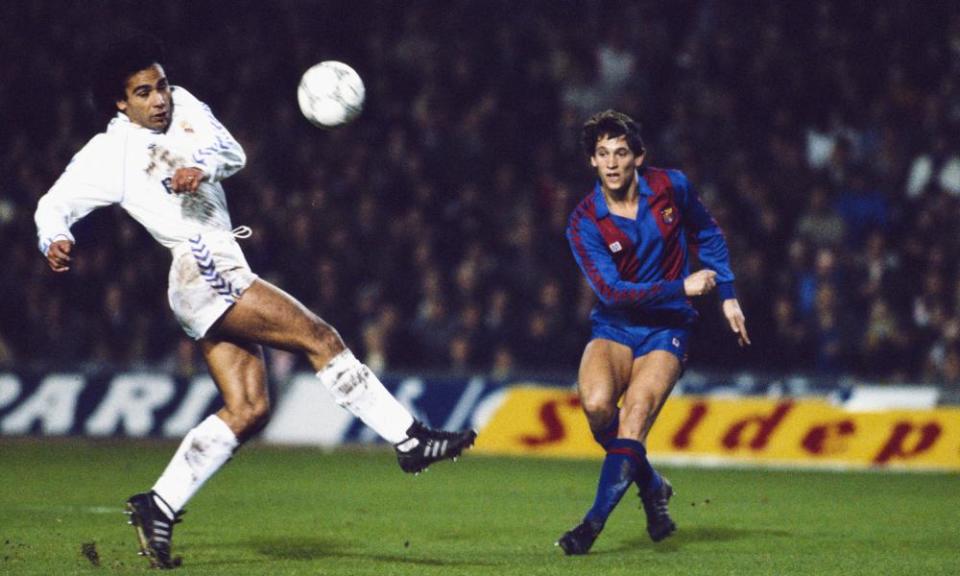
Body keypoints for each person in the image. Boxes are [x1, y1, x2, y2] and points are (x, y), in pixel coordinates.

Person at [34, 35, 476, 569]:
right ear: (120, 103)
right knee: (321, 338)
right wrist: (56, 238)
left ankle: (160, 503)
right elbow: (53, 204)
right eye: (144, 92)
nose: (160, 99)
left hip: (218, 260)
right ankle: (408, 439)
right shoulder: (109, 153)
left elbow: (232, 154)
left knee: (249, 409)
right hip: (200, 262)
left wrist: (203, 169)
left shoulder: (188, 106)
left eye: (162, 86)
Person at [558, 110, 749, 555]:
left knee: (635, 415)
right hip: (615, 326)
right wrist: (680, 284)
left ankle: (590, 526)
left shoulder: (671, 187)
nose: (611, 162)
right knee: (598, 407)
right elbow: (611, 291)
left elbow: (709, 233)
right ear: (592, 161)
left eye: (621, 152)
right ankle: (653, 485)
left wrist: (728, 292)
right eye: (602, 153)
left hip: (668, 329)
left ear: (638, 158)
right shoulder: (584, 222)